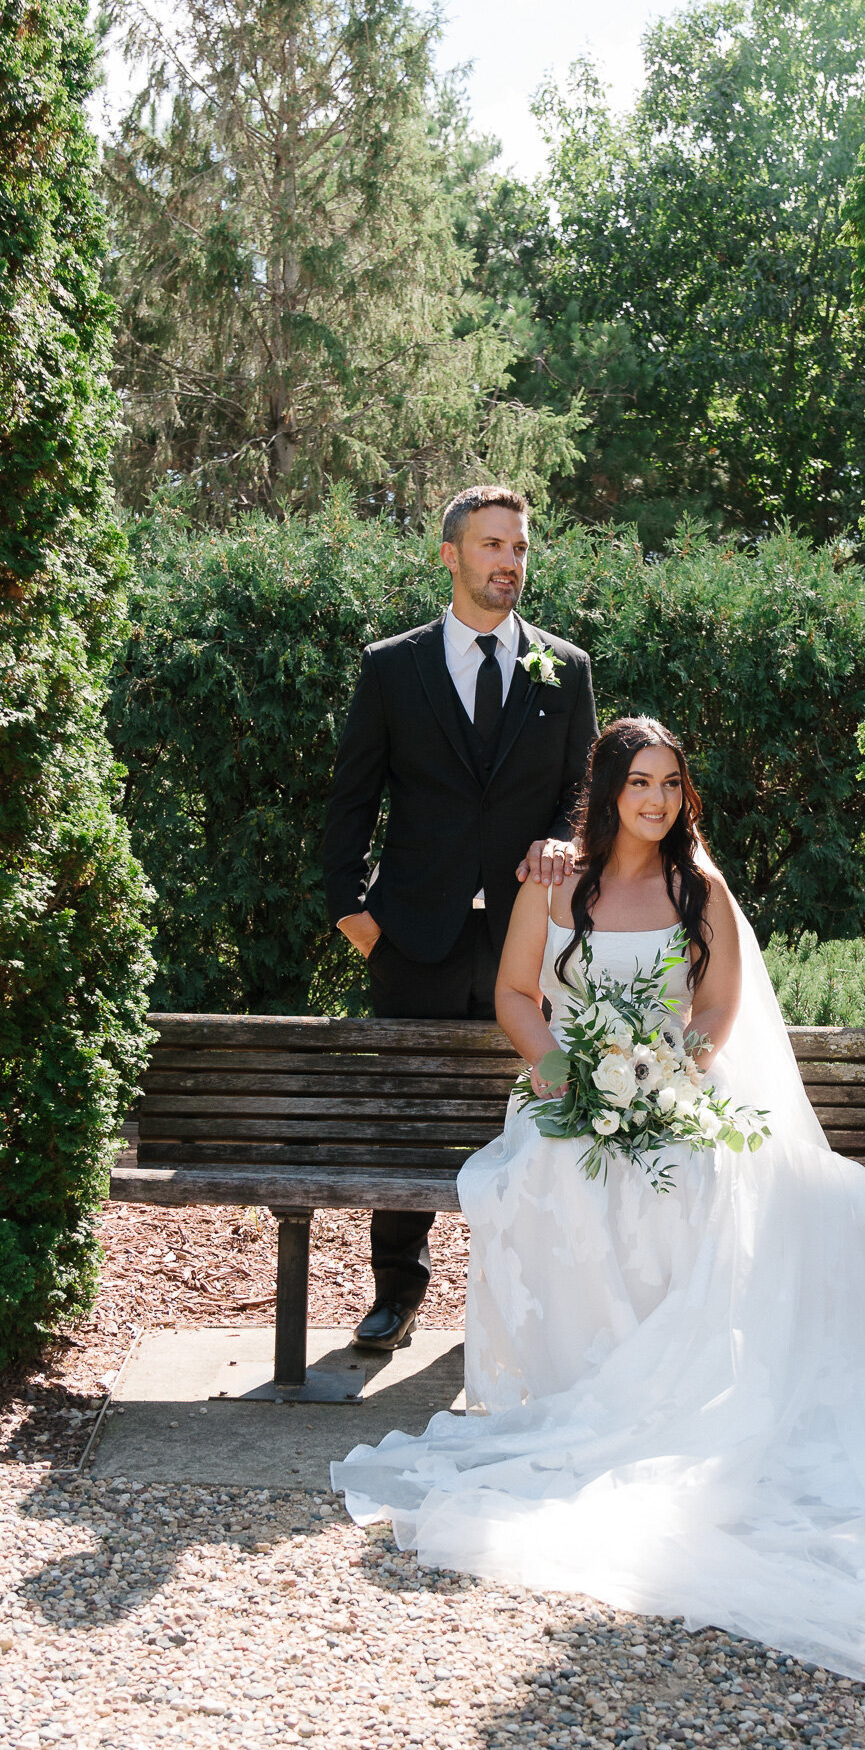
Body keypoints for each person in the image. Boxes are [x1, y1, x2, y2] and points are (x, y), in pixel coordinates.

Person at [331, 719, 865, 1736]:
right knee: (547, 1176)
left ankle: (672, 1393)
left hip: (670, 1096)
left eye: (671, 785)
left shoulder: (701, 890)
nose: (656, 801)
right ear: (608, 788)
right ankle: (578, 1391)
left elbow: (719, 1011)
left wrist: (663, 1080)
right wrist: (560, 1068)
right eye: (640, 783)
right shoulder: (553, 884)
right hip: (569, 1095)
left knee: (688, 1183)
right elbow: (518, 994)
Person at [322, 484, 598, 1351]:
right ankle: (397, 1292)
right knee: (408, 1116)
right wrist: (354, 916)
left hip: (528, 942)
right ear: (451, 555)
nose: (508, 563)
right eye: (490, 546)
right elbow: (349, 802)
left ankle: (521, 1303)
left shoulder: (566, 666)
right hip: (416, 934)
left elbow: (581, 796)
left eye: (518, 548)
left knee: (531, 1115)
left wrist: (560, 846)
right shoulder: (392, 666)